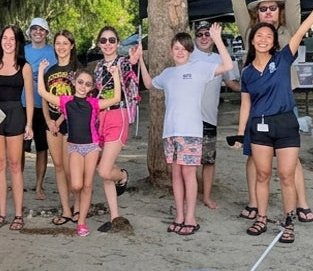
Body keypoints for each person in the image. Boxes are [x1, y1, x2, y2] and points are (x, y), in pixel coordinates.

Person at [236, 0, 313, 244]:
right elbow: (245, 104)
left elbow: (301, 30)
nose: (263, 40)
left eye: (268, 37)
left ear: (274, 42)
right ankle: (261, 218)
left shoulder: (282, 59)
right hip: (260, 126)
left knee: (286, 175)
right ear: (252, 40)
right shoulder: (247, 72)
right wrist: (240, 133)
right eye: (259, 36)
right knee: (262, 175)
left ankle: (289, 221)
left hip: (285, 124)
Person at [230, 0, 310, 226]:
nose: (267, 12)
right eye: (263, 8)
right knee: (254, 156)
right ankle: (254, 202)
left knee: (291, 159)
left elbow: (295, 3)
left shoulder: (289, 30)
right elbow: (237, 3)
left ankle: (301, 203)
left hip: (284, 103)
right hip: (256, 104)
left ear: (279, 10)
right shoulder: (251, 33)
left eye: (272, 8)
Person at [141, 26, 235, 235]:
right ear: (171, 51)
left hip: (191, 131)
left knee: (188, 173)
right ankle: (179, 215)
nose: (180, 52)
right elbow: (148, 84)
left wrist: (218, 39)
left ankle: (191, 216)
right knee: (176, 174)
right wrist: (139, 59)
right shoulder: (168, 74)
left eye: (184, 48)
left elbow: (227, 65)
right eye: (176, 48)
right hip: (170, 131)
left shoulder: (200, 67)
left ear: (190, 51)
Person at [37, 63, 122, 237]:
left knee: (87, 184)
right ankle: (78, 205)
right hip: (74, 146)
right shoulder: (65, 101)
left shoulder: (94, 103)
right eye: (81, 82)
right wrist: (40, 71)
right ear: (74, 82)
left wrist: (115, 75)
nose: (83, 86)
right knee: (76, 185)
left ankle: (81, 222)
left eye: (88, 84)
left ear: (92, 88)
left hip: (92, 147)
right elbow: (42, 92)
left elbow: (116, 98)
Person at [0, 25, 35, 230]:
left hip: (16, 115)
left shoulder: (25, 66)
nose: (8, 42)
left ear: (18, 42)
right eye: (5, 38)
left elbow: (29, 98)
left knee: (15, 164)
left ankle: (18, 214)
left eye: (12, 38)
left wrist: (29, 123)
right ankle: (2, 213)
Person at [89, 26, 139, 232]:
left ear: (118, 43)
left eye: (111, 40)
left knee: (104, 169)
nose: (107, 44)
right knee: (104, 169)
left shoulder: (123, 63)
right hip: (101, 118)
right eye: (103, 40)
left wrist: (132, 61)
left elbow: (131, 74)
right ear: (99, 44)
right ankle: (114, 216)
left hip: (118, 116)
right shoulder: (98, 66)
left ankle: (123, 176)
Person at [190, 21, 241, 209]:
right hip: (189, 119)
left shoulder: (221, 58)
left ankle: (207, 196)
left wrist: (252, 89)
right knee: (190, 161)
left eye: (207, 34)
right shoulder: (187, 56)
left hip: (209, 118)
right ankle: (191, 195)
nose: (204, 38)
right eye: (200, 34)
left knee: (209, 160)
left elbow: (232, 83)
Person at [37, 30, 82, 228]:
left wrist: (60, 119)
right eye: (58, 43)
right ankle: (65, 209)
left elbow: (75, 99)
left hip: (71, 123)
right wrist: (48, 120)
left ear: (71, 46)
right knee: (58, 166)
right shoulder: (51, 71)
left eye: (65, 43)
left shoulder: (77, 70)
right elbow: (45, 97)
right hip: (52, 123)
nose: (61, 47)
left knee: (70, 167)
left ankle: (78, 206)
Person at [22, 18, 56, 205]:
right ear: (30, 32)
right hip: (23, 104)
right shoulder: (22, 51)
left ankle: (39, 185)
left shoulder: (52, 52)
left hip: (44, 106)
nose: (38, 32)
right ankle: (17, 181)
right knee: (19, 148)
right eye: (34, 29)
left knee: (42, 148)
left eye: (41, 29)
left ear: (46, 33)